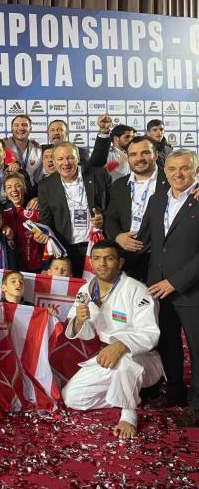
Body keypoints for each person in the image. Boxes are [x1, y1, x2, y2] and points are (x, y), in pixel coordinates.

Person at [61, 240, 163, 438]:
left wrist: (120, 346)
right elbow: (86, 332)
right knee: (72, 397)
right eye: (97, 258)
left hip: (142, 358)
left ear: (120, 262)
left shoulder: (137, 290)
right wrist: (79, 321)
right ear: (91, 262)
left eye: (109, 258)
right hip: (107, 355)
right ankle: (127, 394)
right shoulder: (86, 291)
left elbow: (150, 333)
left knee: (124, 359)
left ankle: (128, 413)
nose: (102, 263)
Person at [136, 149, 199, 426]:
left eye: (184, 168)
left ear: (196, 170)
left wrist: (175, 282)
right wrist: (117, 245)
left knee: (197, 350)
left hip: (192, 289)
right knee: (168, 344)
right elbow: (145, 241)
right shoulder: (157, 199)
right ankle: (175, 393)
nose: (178, 174)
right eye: (172, 169)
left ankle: (197, 406)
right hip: (157, 287)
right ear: (165, 171)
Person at [38, 142, 111, 277]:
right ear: (54, 161)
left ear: (78, 158)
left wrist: (103, 218)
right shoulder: (46, 186)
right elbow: (46, 219)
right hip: (66, 250)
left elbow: (114, 208)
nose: (66, 163)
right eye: (60, 159)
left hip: (96, 246)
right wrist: (42, 232)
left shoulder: (99, 175)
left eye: (70, 157)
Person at [104, 136, 167, 282]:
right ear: (128, 157)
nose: (139, 158)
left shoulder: (171, 181)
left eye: (145, 152)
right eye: (133, 154)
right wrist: (117, 236)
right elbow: (110, 218)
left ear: (155, 154)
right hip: (128, 257)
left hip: (160, 258)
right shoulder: (119, 185)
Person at [2, 173, 49, 272]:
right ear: (5, 193)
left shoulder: (36, 211)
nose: (14, 190)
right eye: (9, 187)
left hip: (37, 266)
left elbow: (48, 235)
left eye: (17, 185)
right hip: (12, 267)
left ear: (24, 188)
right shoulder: (1, 215)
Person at [88, 116, 136, 182]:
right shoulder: (107, 154)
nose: (131, 140)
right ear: (116, 139)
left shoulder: (132, 153)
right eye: (127, 137)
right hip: (112, 187)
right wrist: (116, 163)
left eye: (132, 137)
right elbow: (98, 172)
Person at [4, 115, 42, 185]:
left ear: (30, 129)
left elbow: (38, 178)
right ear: (11, 129)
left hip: (31, 189)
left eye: (24, 125)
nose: (21, 128)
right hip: (8, 189)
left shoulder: (38, 150)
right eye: (16, 125)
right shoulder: (2, 147)